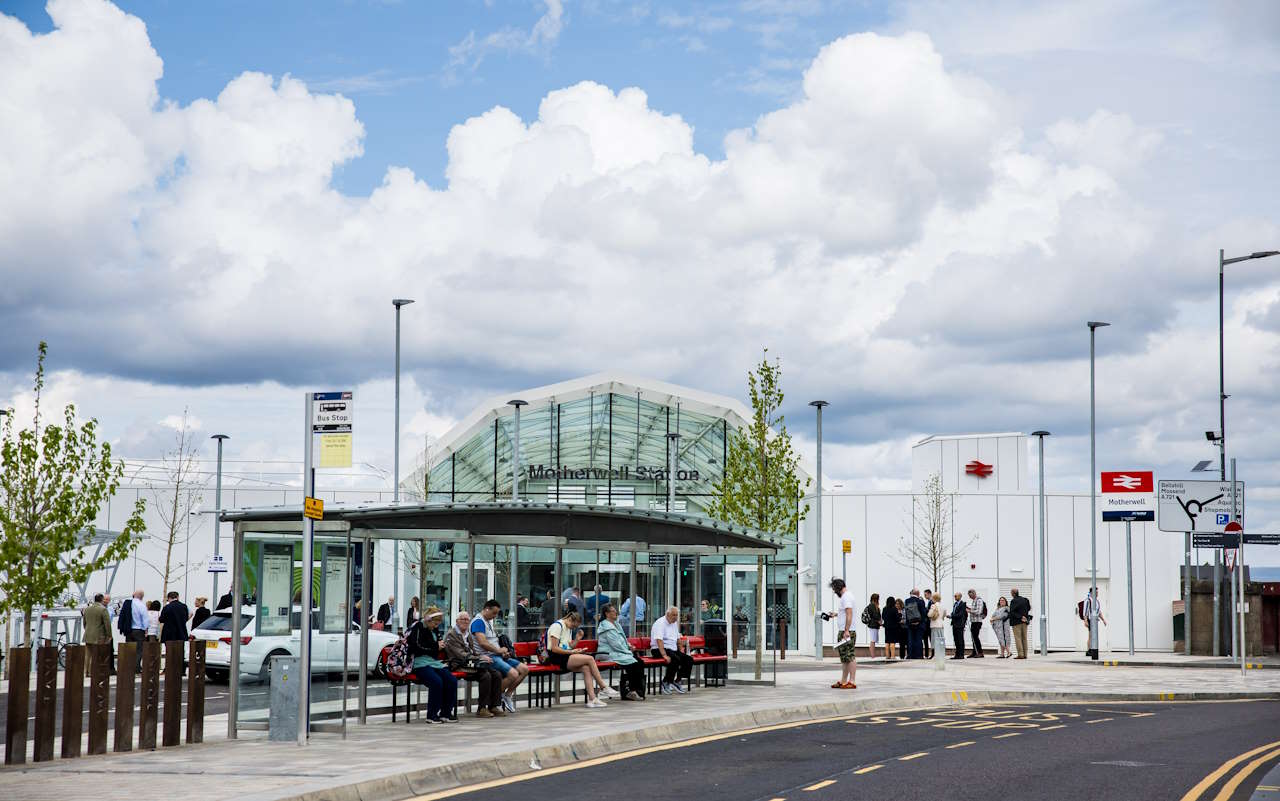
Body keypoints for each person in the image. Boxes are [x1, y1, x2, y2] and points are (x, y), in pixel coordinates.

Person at [470, 599, 528, 713]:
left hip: (498, 655)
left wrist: (503, 652)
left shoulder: (488, 622)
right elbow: (483, 643)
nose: (495, 616)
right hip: (488, 656)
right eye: (494, 613)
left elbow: (492, 641)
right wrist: (498, 650)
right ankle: (494, 699)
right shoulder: (478, 622)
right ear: (487, 609)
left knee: (524, 669)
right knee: (513, 674)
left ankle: (507, 695)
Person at [547, 611, 616, 708]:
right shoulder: (557, 626)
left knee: (586, 668)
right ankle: (603, 687)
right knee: (590, 659)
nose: (573, 628)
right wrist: (572, 652)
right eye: (574, 626)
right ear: (570, 619)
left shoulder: (568, 627)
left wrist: (577, 640)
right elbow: (554, 648)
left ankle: (592, 699)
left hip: (565, 655)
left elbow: (569, 646)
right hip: (556, 657)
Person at [442, 611, 504, 718]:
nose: (465, 622)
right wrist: (479, 658)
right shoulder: (451, 635)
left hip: (470, 663)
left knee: (496, 674)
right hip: (458, 664)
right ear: (457, 621)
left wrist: (482, 657)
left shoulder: (468, 634)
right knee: (485, 675)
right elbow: (460, 655)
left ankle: (494, 705)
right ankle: (482, 708)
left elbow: (473, 651)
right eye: (463, 619)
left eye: (467, 620)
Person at [406, 606, 458, 723]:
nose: (436, 626)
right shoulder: (418, 627)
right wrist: (436, 647)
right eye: (435, 623)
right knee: (436, 682)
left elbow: (436, 646)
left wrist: (440, 647)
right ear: (428, 620)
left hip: (433, 662)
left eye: (438, 624)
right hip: (419, 662)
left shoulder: (434, 630)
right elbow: (416, 647)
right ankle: (432, 715)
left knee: (451, 680)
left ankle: (445, 713)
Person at [596, 604, 644, 700]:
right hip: (607, 653)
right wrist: (628, 651)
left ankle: (636, 690)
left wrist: (629, 646)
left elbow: (623, 640)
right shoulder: (606, 626)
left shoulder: (616, 624)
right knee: (632, 663)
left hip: (618, 652)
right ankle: (632, 691)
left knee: (639, 662)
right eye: (613, 611)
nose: (616, 613)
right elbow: (615, 644)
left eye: (615, 611)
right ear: (607, 614)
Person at [650, 606, 693, 694]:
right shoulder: (660, 623)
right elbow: (659, 640)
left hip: (671, 649)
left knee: (688, 659)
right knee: (675, 659)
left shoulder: (673, 623)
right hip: (658, 649)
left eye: (677, 615)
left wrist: (681, 650)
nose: (675, 617)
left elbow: (678, 638)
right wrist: (664, 655)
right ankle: (666, 682)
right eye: (674, 615)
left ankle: (677, 680)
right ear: (667, 614)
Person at [827, 578, 857, 689]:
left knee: (850, 656)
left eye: (834, 589)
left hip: (847, 631)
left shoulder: (847, 597)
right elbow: (845, 614)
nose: (835, 592)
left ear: (838, 587)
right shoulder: (846, 597)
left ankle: (852, 681)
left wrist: (846, 630)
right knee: (844, 657)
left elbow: (849, 614)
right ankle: (844, 681)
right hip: (844, 630)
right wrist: (836, 614)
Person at [1082, 587, 1107, 658]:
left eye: (1097, 592)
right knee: (1090, 635)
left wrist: (1103, 620)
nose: (1097, 593)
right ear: (1092, 593)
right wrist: (1085, 620)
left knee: (1093, 636)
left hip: (1095, 621)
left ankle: (1091, 650)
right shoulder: (1088, 600)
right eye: (1096, 592)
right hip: (1090, 620)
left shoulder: (1096, 601)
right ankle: (1089, 650)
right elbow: (1085, 611)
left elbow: (1099, 611)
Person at [1008, 588, 1031, 659]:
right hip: (1025, 622)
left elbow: (1012, 612)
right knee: (1024, 638)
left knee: (1018, 638)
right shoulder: (1025, 600)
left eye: (1011, 592)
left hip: (1016, 622)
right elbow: (1029, 608)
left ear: (1013, 593)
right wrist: (1024, 616)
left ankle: (1020, 654)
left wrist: (1020, 616)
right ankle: (1025, 654)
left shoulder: (1013, 601)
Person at [904, 590, 927, 659]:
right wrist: (920, 621)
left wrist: (910, 621)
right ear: (918, 594)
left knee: (910, 639)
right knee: (918, 640)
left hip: (910, 624)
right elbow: (923, 613)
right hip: (919, 624)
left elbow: (906, 612)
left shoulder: (907, 601)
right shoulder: (920, 601)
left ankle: (910, 655)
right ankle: (919, 655)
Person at [927, 591, 947, 666]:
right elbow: (944, 614)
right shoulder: (942, 606)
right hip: (941, 624)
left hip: (934, 624)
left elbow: (929, 614)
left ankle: (935, 655)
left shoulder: (933, 606)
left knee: (935, 640)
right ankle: (941, 655)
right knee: (940, 640)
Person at [967, 589, 987, 657]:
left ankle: (980, 652)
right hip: (973, 621)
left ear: (974, 593)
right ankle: (975, 652)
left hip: (977, 621)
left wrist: (969, 611)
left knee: (975, 637)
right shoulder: (974, 601)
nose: (970, 597)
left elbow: (978, 611)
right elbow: (974, 609)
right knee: (973, 637)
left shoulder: (979, 600)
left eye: (970, 595)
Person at [863, 594, 882, 659]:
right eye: (878, 598)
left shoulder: (874, 605)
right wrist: (879, 622)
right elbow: (875, 615)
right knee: (873, 640)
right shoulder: (872, 606)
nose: (878, 600)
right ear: (875, 599)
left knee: (873, 640)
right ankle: (873, 656)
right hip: (873, 625)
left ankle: (873, 655)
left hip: (874, 625)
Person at [949, 592, 967, 660]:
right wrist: (951, 615)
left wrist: (952, 616)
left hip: (959, 624)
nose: (955, 597)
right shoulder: (955, 604)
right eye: (954, 596)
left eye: (956, 596)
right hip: (954, 624)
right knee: (956, 640)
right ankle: (957, 654)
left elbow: (960, 614)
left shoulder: (962, 604)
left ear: (960, 596)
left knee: (960, 640)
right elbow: (954, 612)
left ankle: (961, 654)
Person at [882, 596, 900, 661]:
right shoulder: (894, 609)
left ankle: (887, 656)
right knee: (892, 642)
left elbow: (883, 617)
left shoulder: (884, 609)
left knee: (887, 641)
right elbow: (897, 618)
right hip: (894, 627)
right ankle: (892, 656)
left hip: (886, 627)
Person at [922, 590, 935, 658]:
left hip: (930, 623)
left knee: (931, 639)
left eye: (926, 594)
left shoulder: (932, 602)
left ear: (929, 594)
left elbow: (930, 612)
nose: (925, 596)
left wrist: (925, 610)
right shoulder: (929, 602)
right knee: (926, 639)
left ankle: (932, 653)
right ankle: (927, 654)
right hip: (927, 624)